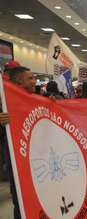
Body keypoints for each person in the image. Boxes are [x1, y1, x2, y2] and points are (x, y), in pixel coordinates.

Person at [1, 65, 36, 219]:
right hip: (17, 163)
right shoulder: (5, 103)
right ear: (19, 82)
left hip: (36, 161)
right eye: (30, 78)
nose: (34, 81)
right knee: (21, 201)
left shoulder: (38, 99)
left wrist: (53, 104)